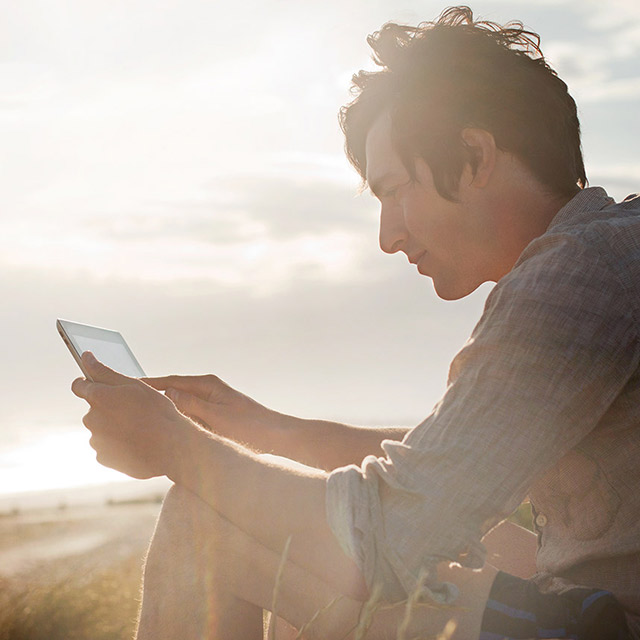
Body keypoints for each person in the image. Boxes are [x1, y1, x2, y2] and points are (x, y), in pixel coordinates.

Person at [71, 6, 639, 639]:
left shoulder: (577, 274)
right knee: (314, 542)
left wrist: (174, 445)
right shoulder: (608, 255)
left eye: (395, 190)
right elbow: (454, 461)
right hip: (589, 601)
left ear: (476, 155)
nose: (388, 235)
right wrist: (261, 429)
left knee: (209, 523)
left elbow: (396, 532)